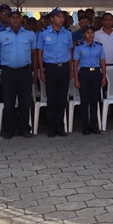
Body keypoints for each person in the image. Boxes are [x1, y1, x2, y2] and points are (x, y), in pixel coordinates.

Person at [0, 8, 37, 139]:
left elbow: (34, 54)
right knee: (8, 102)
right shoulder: (0, 34)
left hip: (25, 71)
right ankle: (9, 129)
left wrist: (35, 72)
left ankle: (24, 128)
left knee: (25, 101)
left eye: (17, 17)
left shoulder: (30, 34)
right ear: (8, 19)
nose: (15, 19)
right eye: (12, 17)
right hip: (8, 72)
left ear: (21, 19)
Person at [37, 7, 73, 137]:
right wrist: (42, 71)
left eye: (62, 16)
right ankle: (51, 127)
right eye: (58, 17)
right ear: (52, 19)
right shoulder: (44, 33)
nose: (61, 19)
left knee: (62, 99)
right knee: (51, 99)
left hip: (63, 67)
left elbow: (70, 51)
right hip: (50, 68)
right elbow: (40, 53)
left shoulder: (67, 33)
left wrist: (70, 70)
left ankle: (60, 126)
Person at [73, 24, 106, 135]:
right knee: (84, 100)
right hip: (84, 73)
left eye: (92, 33)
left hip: (96, 73)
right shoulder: (79, 47)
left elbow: (102, 62)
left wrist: (104, 77)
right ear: (83, 35)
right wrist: (76, 79)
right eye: (87, 33)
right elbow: (75, 64)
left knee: (94, 100)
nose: (90, 35)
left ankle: (93, 124)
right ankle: (85, 125)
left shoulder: (99, 46)